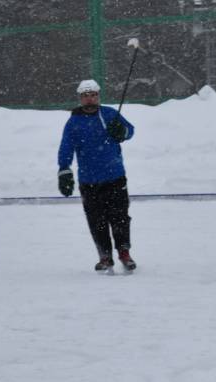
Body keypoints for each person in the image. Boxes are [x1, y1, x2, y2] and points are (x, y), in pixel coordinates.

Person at [57, 79, 136, 273]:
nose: (90, 99)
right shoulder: (74, 122)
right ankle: (105, 256)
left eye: (93, 95)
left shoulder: (109, 114)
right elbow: (66, 147)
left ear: (98, 96)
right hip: (89, 181)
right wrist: (64, 169)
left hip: (116, 177)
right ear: (80, 99)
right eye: (85, 96)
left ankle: (124, 253)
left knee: (120, 218)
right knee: (96, 221)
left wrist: (121, 131)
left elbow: (130, 131)